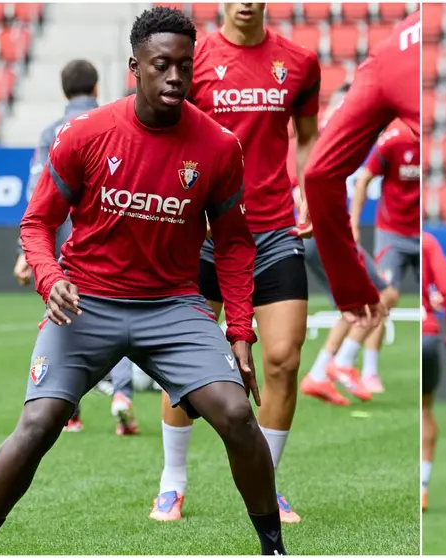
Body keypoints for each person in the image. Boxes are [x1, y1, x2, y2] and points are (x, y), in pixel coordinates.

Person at [0, 7, 286, 555]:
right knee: (38, 424)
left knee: (235, 413)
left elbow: (232, 243)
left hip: (174, 307)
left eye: (185, 65)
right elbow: (36, 223)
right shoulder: (84, 135)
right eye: (162, 65)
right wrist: (49, 276)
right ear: (135, 67)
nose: (176, 77)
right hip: (86, 303)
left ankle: (273, 547)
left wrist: (241, 331)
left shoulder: (219, 147)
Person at [151, 2, 321, 524]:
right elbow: (162, 133)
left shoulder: (300, 61)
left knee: (283, 360)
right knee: (184, 365)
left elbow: (310, 137)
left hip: (274, 231)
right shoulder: (192, 60)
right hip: (200, 233)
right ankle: (172, 484)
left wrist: (311, 191)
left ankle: (265, 487)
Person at [13, 59, 139, 436]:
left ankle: (70, 411)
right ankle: (122, 395)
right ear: (97, 88)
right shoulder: (114, 125)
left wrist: (26, 253)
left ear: (64, 92)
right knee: (119, 318)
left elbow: (38, 196)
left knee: (65, 321)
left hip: (62, 252)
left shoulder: (52, 132)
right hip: (108, 244)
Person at [301, 10, 419, 326]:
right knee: (383, 297)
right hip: (314, 227)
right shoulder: (393, 139)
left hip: (313, 221)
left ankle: (352, 368)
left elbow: (316, 173)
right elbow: (342, 175)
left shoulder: (387, 55)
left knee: (375, 300)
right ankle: (342, 365)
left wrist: (350, 286)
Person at [301, 84, 384, 404]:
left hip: (315, 232)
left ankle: (321, 374)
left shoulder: (322, 132)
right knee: (380, 294)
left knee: (355, 306)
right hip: (324, 232)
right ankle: (342, 363)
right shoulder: (337, 130)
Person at [346, 122, 422, 393]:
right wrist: (354, 222)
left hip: (425, 235)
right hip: (394, 233)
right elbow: (365, 177)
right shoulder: (393, 140)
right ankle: (368, 370)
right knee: (385, 296)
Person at [420, 231, 446, 511]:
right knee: (425, 411)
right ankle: (422, 488)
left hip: (417, 331)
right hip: (429, 335)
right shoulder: (428, 241)